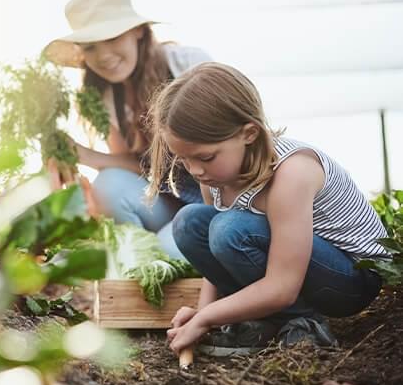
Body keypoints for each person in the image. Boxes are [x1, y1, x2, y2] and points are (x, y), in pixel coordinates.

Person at [144, 62, 387, 354]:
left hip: (350, 279)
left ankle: (303, 322)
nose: (195, 170)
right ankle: (265, 321)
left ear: (249, 133)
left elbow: (282, 286)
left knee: (229, 229)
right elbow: (214, 264)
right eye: (184, 160)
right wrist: (203, 313)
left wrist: (208, 316)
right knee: (190, 222)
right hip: (295, 271)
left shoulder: (292, 173)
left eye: (206, 157)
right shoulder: (214, 176)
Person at [44, 0, 211, 258]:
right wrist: (83, 156)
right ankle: (137, 262)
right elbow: (133, 166)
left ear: (138, 31)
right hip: (170, 203)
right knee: (109, 184)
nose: (104, 56)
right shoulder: (107, 96)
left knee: (169, 248)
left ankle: (159, 258)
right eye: (91, 47)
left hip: (218, 202)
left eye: (112, 38)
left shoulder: (187, 65)